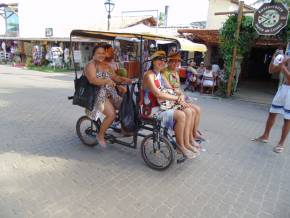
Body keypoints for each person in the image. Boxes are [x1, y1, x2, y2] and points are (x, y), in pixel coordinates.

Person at [142, 50, 198, 159]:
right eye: (159, 59)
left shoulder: (161, 75)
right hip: (151, 109)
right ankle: (180, 146)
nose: (162, 62)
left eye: (164, 60)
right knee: (181, 115)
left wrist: (180, 96)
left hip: (163, 106)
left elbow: (172, 89)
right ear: (153, 61)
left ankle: (186, 143)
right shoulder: (149, 75)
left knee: (189, 111)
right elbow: (158, 94)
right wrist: (177, 98)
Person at [162, 52, 204, 150]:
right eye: (173, 61)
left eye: (177, 62)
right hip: (171, 99)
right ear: (168, 62)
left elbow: (178, 88)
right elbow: (170, 89)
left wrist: (183, 96)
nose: (175, 64)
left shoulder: (176, 72)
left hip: (179, 98)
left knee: (197, 109)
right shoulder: (164, 72)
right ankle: (187, 141)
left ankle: (192, 135)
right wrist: (179, 97)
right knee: (191, 111)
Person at [252, 50, 290, 153]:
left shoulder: (286, 62)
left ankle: (281, 144)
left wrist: (282, 66)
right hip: (283, 89)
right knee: (272, 113)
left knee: (287, 119)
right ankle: (265, 136)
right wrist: (274, 59)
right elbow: (271, 71)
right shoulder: (287, 59)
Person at [85, 44, 122, 148]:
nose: (101, 55)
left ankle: (124, 129)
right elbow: (93, 80)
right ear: (93, 55)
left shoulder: (106, 65)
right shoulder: (90, 65)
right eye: (98, 53)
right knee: (111, 115)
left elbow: (115, 77)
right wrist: (106, 81)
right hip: (97, 94)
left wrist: (126, 81)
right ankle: (100, 135)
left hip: (109, 92)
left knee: (126, 105)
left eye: (103, 53)